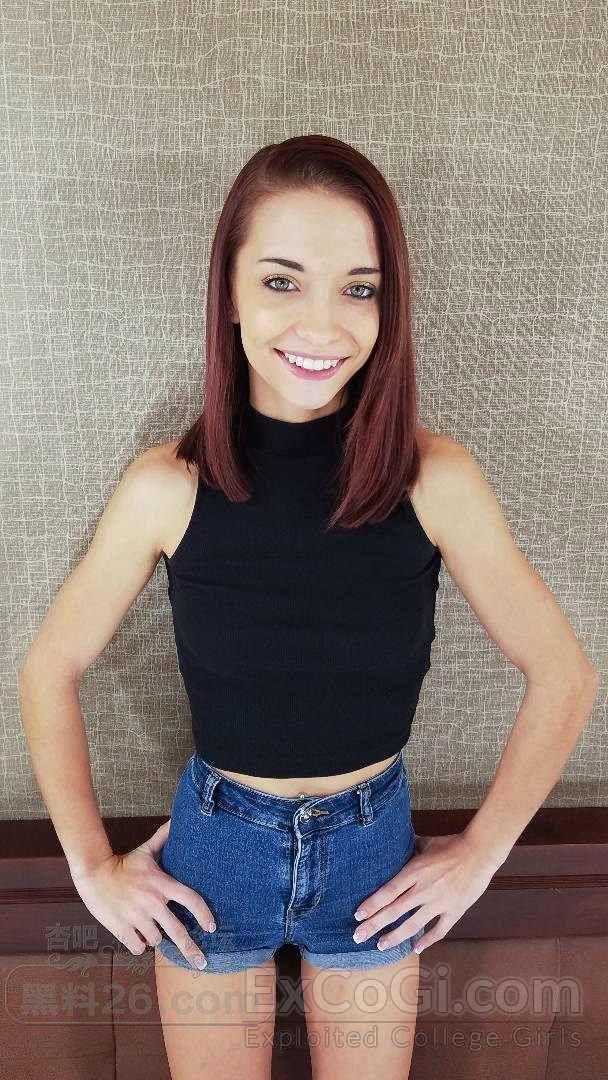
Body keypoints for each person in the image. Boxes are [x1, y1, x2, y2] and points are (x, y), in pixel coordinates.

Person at [19, 136, 599, 1080]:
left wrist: (482, 853)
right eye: (282, 281)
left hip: (374, 855)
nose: (322, 325)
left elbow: (564, 674)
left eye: (358, 289)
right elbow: (50, 667)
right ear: (229, 292)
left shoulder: (434, 478)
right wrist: (91, 865)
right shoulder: (167, 486)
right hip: (215, 852)